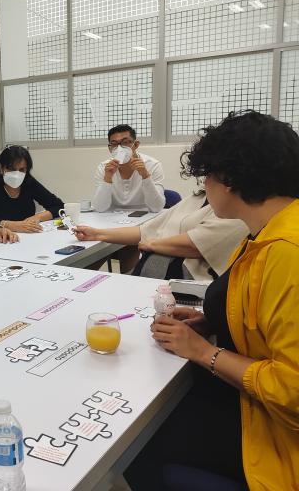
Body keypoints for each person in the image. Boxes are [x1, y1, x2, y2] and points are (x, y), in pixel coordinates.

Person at [124, 111, 299, 490]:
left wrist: (205, 352)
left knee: (135, 441)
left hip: (277, 433)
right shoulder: (264, 232)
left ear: (231, 180)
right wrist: (213, 322)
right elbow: (261, 315)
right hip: (250, 400)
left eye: (207, 176)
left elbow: (293, 390)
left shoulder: (287, 252)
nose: (204, 186)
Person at [73, 188, 248, 279]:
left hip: (182, 290)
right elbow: (145, 231)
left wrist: (153, 244)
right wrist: (97, 234)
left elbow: (196, 244)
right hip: (148, 279)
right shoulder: (198, 197)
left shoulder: (237, 206)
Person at [0, 145, 64, 233]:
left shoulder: (28, 182)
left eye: (22, 170)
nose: (16, 174)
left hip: (28, 236)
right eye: (11, 169)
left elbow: (59, 206)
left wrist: (37, 217)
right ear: (1, 168)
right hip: (2, 238)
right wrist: (12, 225)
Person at [92, 124, 165, 213]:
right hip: (112, 217)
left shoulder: (152, 165)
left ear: (136, 145)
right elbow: (100, 208)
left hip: (144, 216)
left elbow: (157, 207)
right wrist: (107, 178)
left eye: (125, 142)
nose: (119, 148)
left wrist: (145, 176)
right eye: (114, 144)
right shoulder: (104, 168)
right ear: (110, 148)